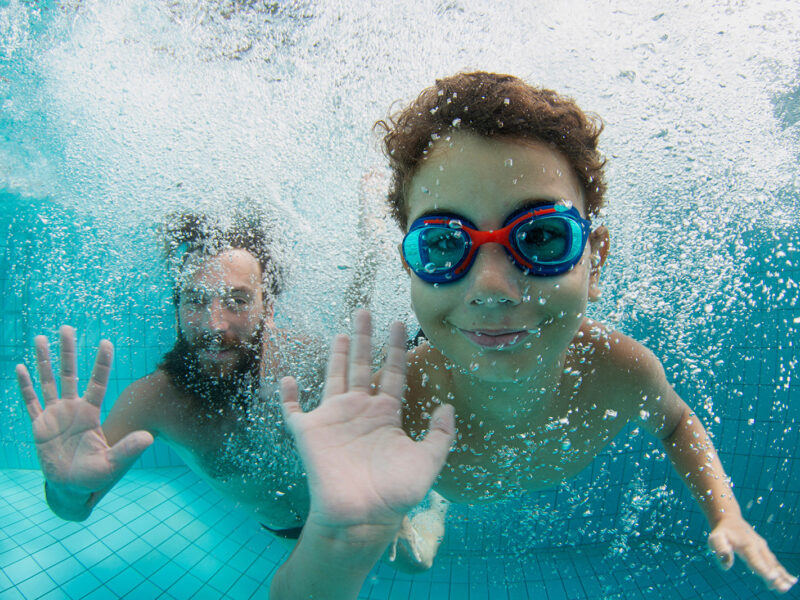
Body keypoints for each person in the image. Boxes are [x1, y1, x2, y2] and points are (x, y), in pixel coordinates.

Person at [271, 71, 797, 597]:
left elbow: (676, 423)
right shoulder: (396, 404)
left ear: (595, 259)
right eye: (443, 245)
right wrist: (339, 539)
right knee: (413, 560)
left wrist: (726, 513)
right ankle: (430, 509)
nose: (493, 288)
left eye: (542, 236)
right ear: (411, 269)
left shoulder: (619, 369)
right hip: (427, 462)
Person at [15, 209, 443, 570]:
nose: (214, 325)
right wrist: (67, 492)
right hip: (287, 529)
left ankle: (438, 507)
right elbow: (75, 507)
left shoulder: (305, 359)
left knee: (418, 563)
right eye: (195, 300)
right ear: (177, 307)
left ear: (267, 308)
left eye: (237, 300)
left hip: (358, 511)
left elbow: (370, 347)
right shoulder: (154, 402)